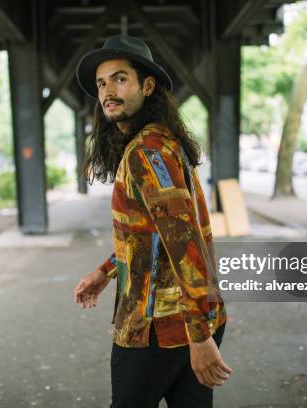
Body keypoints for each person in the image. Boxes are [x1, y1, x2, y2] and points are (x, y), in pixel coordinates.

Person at [72, 35, 231, 408]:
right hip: (189, 319)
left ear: (147, 86)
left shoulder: (146, 151)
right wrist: (105, 271)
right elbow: (151, 234)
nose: (107, 91)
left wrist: (198, 335)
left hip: (158, 327)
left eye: (119, 78)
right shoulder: (162, 142)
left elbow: (182, 241)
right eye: (101, 83)